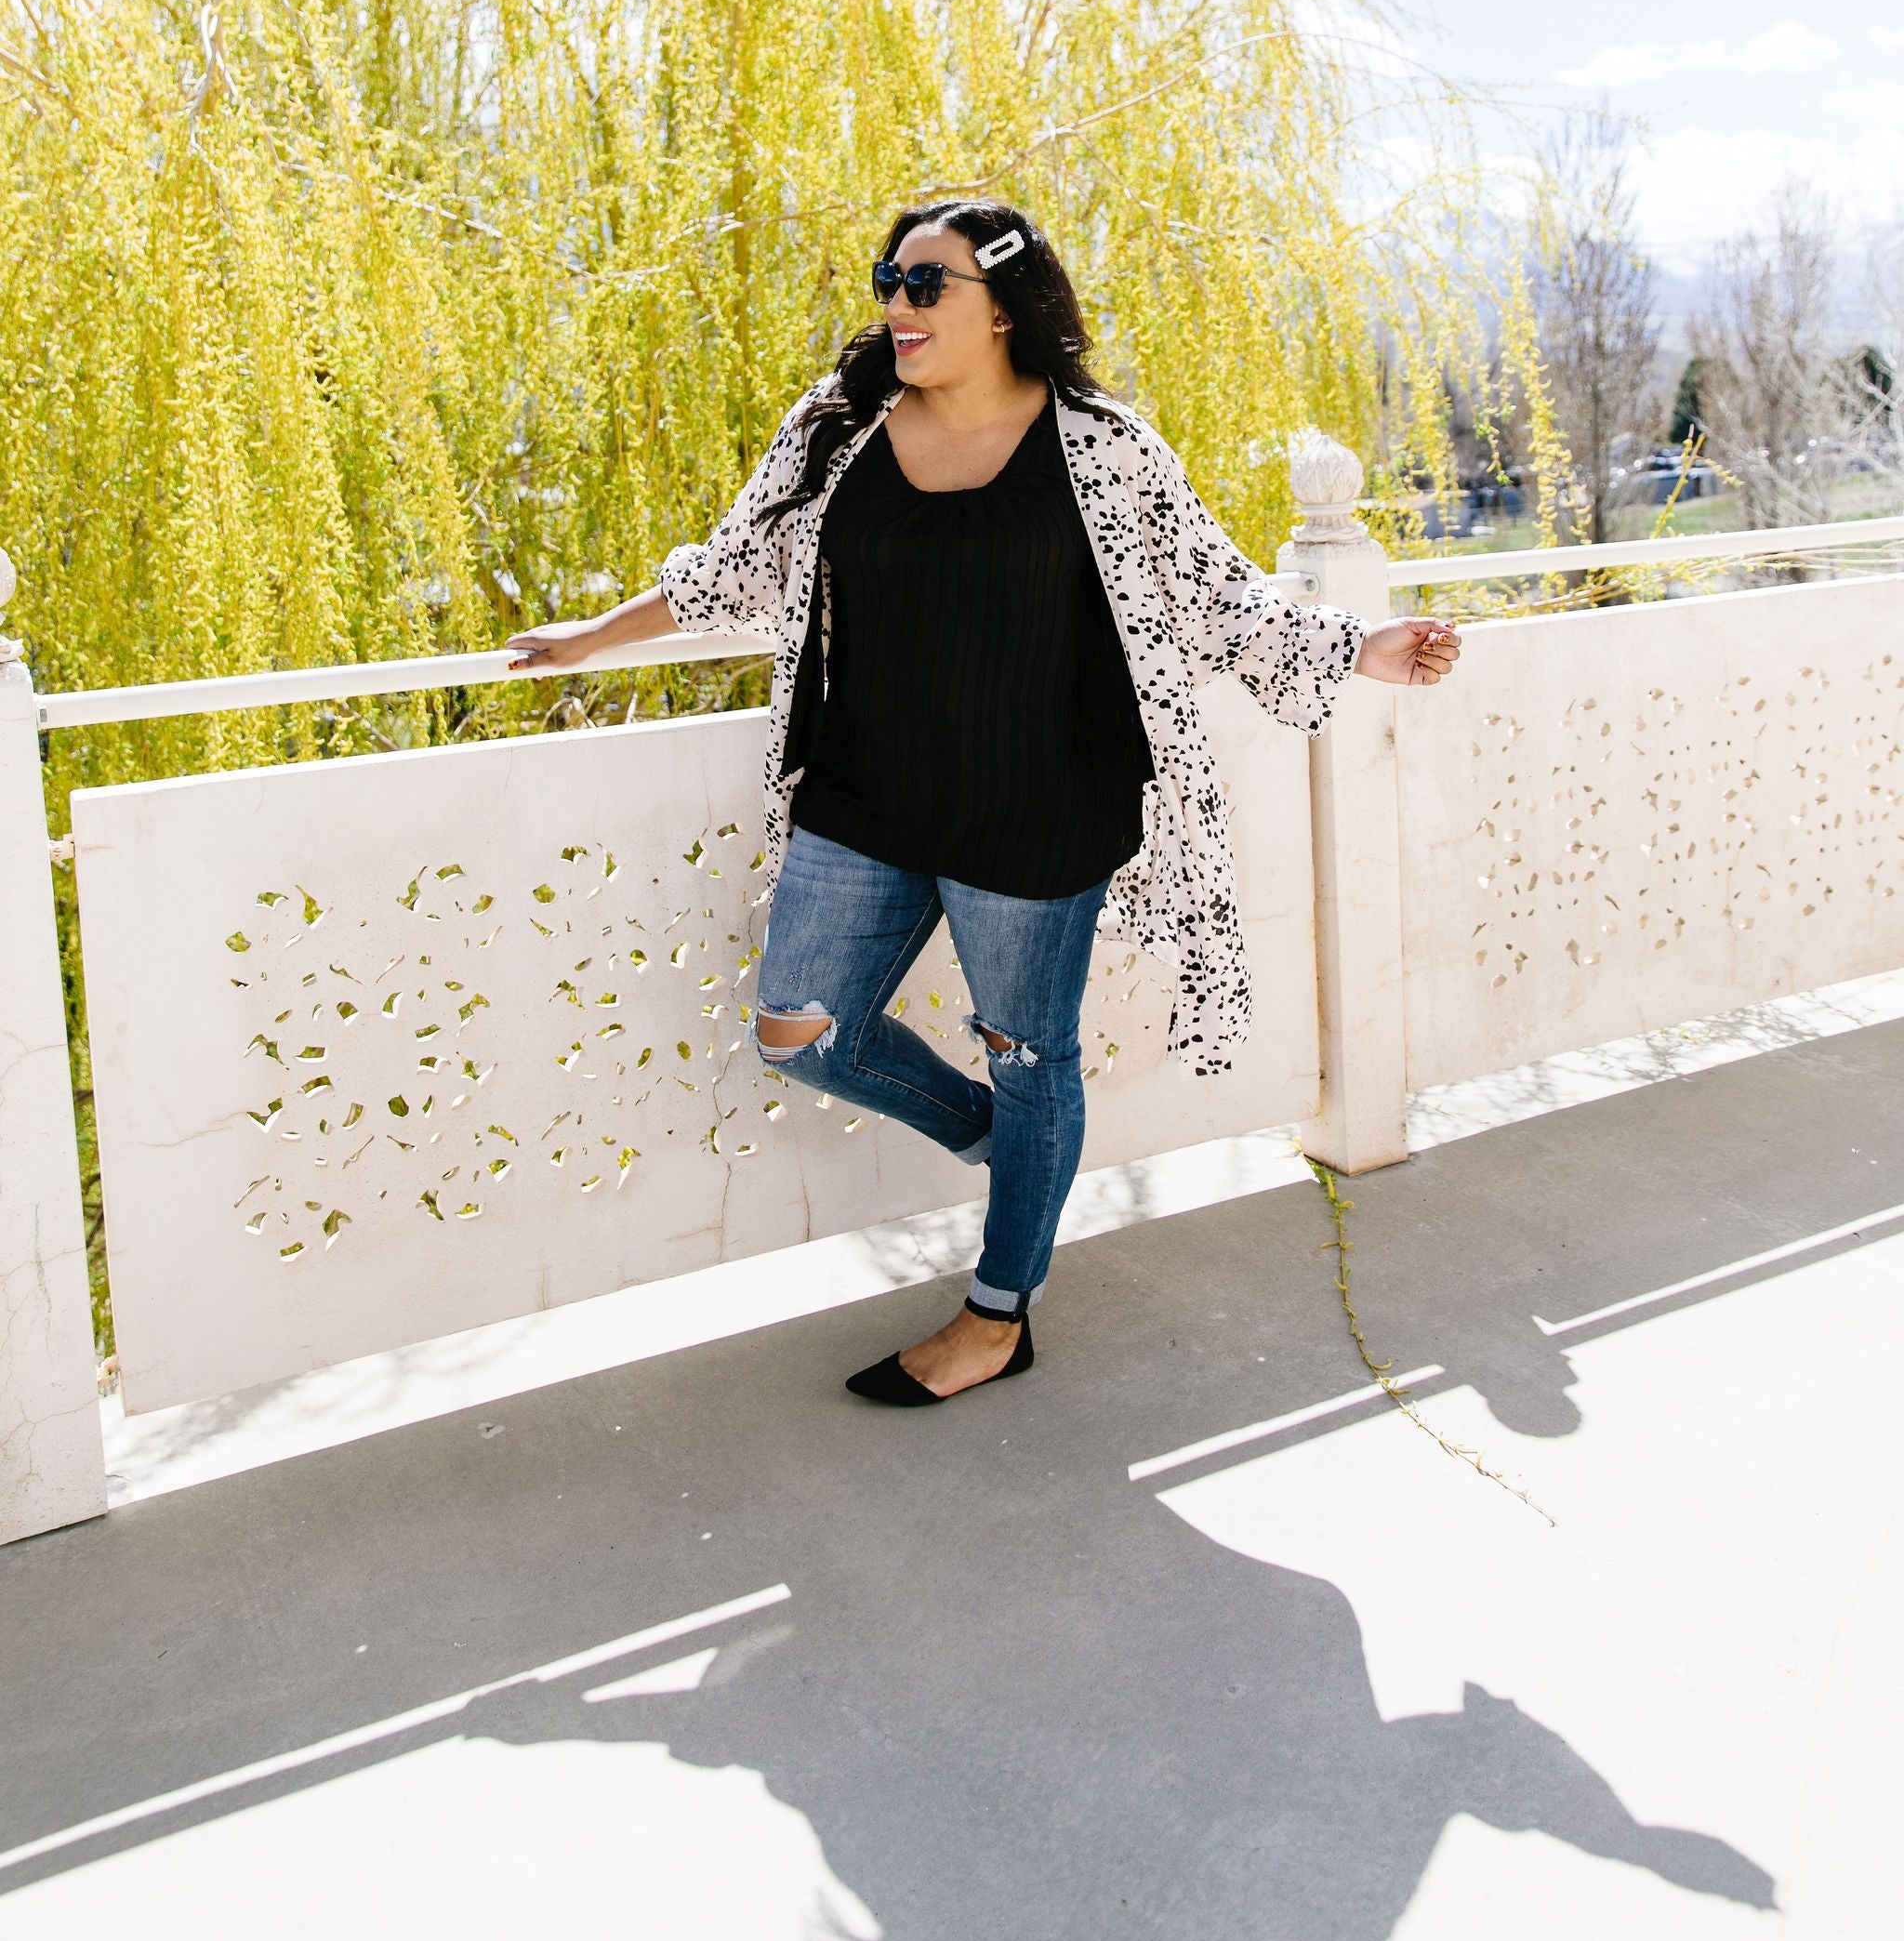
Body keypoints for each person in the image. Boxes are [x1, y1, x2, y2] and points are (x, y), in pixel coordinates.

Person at [509, 203, 1460, 1406]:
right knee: (801, 1028)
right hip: (863, 804)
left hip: (1039, 811)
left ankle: (999, 1313)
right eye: (888, 281)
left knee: (1030, 1054)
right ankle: (999, 1139)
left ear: (1004, 304)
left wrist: (1359, 645)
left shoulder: (1102, 447)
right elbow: (739, 560)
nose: (896, 306)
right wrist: (594, 637)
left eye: (926, 285)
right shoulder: (842, 427)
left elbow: (1214, 596)